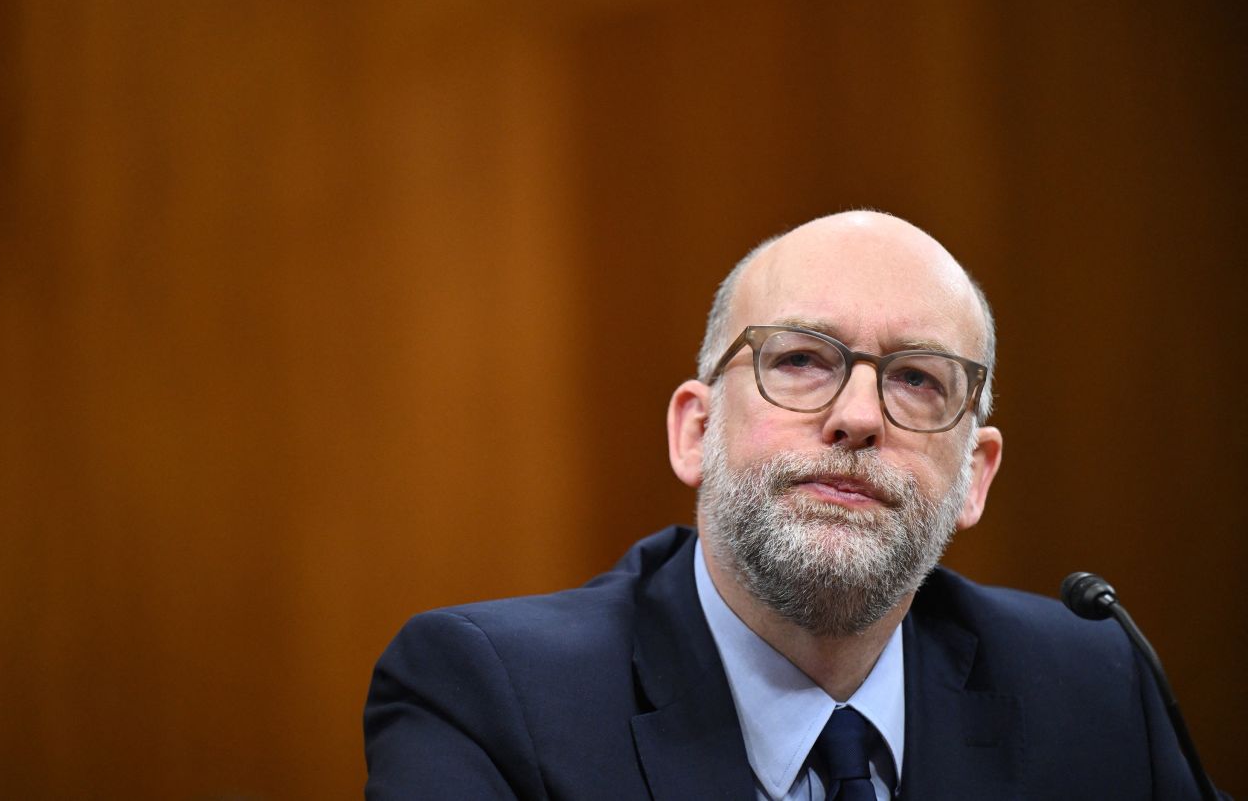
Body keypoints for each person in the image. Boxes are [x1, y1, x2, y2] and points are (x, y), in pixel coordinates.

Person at [364, 211, 1213, 799]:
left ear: (976, 477)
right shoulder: (490, 700)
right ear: (696, 430)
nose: (857, 416)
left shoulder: (1093, 687)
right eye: (804, 359)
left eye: (918, 380)